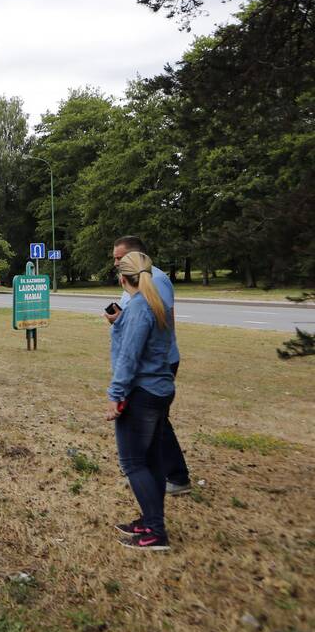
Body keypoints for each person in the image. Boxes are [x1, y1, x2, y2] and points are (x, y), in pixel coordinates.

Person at [105, 236, 192, 495]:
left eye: (119, 258)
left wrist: (116, 390)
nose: (115, 262)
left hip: (156, 363)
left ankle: (175, 477)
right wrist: (120, 319)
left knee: (157, 423)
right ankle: (152, 474)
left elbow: (156, 319)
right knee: (152, 423)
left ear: (135, 256)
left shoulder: (157, 280)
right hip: (144, 364)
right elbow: (137, 316)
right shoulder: (133, 280)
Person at [108, 251, 176, 550]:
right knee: (152, 461)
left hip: (142, 394)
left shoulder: (138, 308)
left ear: (123, 278)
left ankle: (156, 532)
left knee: (133, 462)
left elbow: (129, 357)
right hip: (160, 389)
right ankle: (150, 520)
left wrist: (116, 395)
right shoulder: (154, 303)